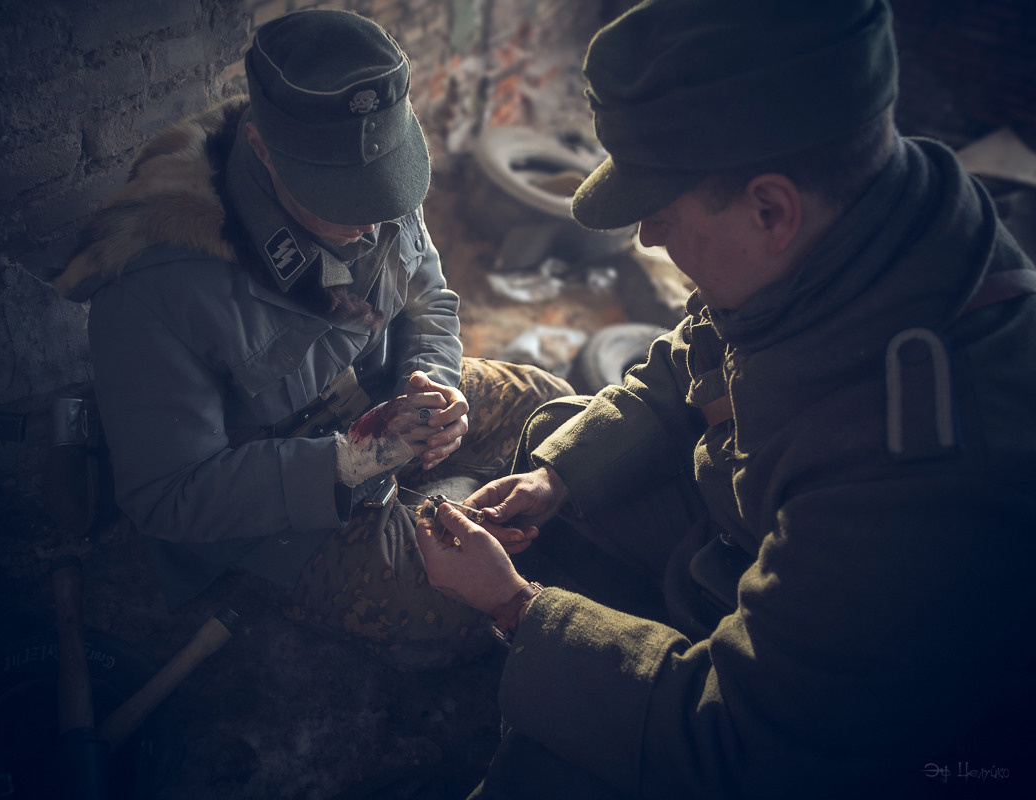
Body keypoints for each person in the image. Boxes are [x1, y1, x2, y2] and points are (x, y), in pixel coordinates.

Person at [416, 0, 1036, 795]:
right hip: (749, 543)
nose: (645, 239)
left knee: (553, 768)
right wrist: (556, 477)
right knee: (562, 436)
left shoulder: (922, 463)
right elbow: (689, 360)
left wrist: (516, 609)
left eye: (662, 214)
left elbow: (743, 740)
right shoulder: (857, 221)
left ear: (770, 208)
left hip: (833, 742)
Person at [53, 9, 571, 670]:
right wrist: (351, 464)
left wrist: (433, 382)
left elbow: (430, 299)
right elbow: (168, 496)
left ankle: (443, 507)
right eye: (343, 199)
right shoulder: (152, 283)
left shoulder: (370, 172)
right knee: (456, 608)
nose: (375, 218)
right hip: (282, 509)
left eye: (384, 188)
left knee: (554, 412)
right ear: (264, 150)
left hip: (385, 415)